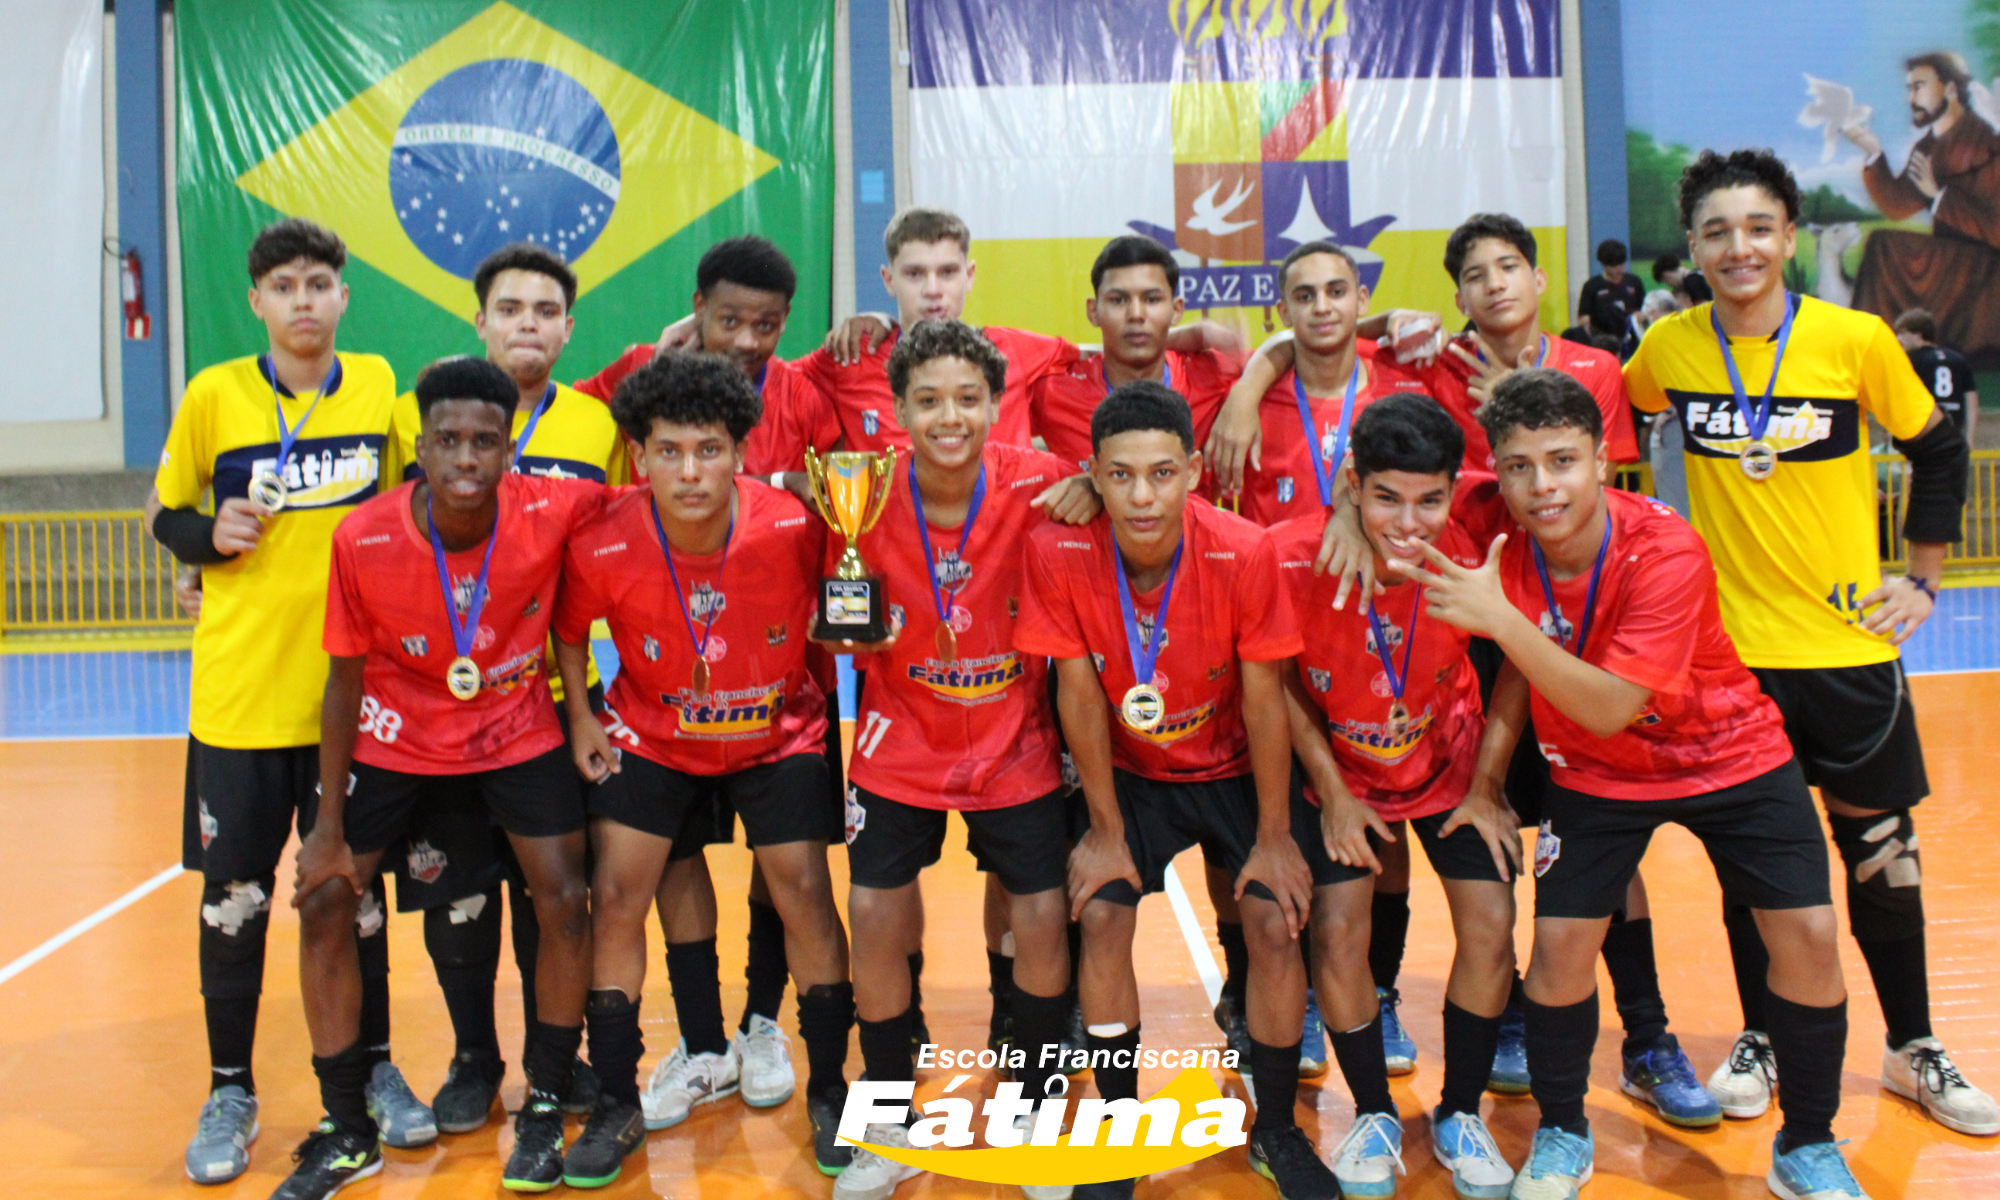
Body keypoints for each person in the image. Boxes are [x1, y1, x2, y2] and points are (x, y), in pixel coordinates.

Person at [1408, 368, 1867, 1200]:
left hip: (1729, 754)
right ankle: (1560, 1131)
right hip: (1594, 773)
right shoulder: (1490, 522)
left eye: (1562, 461)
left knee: (1805, 933)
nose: (1541, 486)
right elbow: (1394, 492)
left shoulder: (1665, 550)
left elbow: (1612, 704)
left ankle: (1807, 1143)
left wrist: (1499, 620)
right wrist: (1485, 782)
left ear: (1601, 463)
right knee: (1557, 952)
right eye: (1518, 466)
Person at [1627, 148, 1995, 1138]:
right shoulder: (1668, 350)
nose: (1736, 247)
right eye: (1714, 231)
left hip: (1847, 652)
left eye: (1755, 227)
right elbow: (1602, 418)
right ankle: (1757, 1035)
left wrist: (1919, 579)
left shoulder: (1855, 338)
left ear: (1786, 238)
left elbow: (1936, 447)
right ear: (1692, 249)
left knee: (1879, 855)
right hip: (1729, 662)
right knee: (1755, 868)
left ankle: (1912, 1044)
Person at [282, 357, 604, 1197]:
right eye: (449, 440)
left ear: (510, 455)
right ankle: (345, 1124)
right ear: (418, 447)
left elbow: (666, 500)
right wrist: (324, 828)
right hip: (396, 733)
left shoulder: (554, 507)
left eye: (486, 442)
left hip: (513, 724)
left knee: (565, 899)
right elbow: (343, 681)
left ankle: (542, 1103)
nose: (467, 458)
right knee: (325, 899)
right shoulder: (363, 536)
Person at [145, 219, 419, 1184]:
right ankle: (231, 1089)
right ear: (258, 302)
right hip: (241, 700)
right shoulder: (214, 395)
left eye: (319, 284)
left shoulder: (383, 387)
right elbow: (163, 513)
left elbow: (427, 494)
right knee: (238, 901)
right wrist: (202, 537)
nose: (304, 301)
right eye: (284, 287)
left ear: (344, 297)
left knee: (353, 897)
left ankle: (375, 1071)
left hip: (354, 700)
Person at [1017, 381, 1338, 1200]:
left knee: (1272, 920)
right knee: (1101, 913)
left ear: (1195, 471)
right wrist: (1103, 828)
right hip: (1132, 773)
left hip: (1235, 767)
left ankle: (1275, 1130)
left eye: (1162, 473)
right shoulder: (1058, 549)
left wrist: (1272, 836)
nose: (1142, 495)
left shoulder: (1243, 548)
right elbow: (1078, 692)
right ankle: (1121, 1129)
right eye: (1120, 476)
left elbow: (1267, 699)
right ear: (1092, 472)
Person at [550, 351, 858, 1185]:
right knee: (617, 897)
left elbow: (847, 606)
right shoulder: (604, 532)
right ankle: (618, 1099)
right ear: (639, 455)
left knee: (803, 890)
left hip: (778, 730)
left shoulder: (798, 524)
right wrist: (581, 716)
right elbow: (570, 631)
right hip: (652, 735)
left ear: (741, 452)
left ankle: (831, 1090)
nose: (690, 471)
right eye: (670, 451)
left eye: (711, 449)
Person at [818, 321, 1089, 1200]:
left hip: (1014, 742)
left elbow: (1119, 499)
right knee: (875, 912)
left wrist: (1091, 487)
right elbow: (833, 602)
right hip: (903, 739)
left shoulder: (1046, 482)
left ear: (996, 405)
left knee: (1041, 918)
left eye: (968, 398)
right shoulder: (855, 492)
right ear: (896, 411)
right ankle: (890, 1110)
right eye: (928, 400)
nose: (949, 416)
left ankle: (1038, 1101)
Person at [386, 242, 626, 1133]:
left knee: (551, 890)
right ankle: (473, 1059)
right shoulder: (421, 421)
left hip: (554, 696)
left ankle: (548, 1063)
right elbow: (380, 529)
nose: (528, 324)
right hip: (437, 701)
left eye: (545, 311)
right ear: (479, 321)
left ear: (568, 327)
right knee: (455, 888)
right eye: (510, 309)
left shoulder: (598, 427)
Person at [1270, 394, 1518, 1199]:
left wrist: (1486, 786)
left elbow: (1517, 656)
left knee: (1492, 919)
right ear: (1351, 483)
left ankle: (1459, 1112)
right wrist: (1334, 794)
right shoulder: (1292, 555)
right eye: (1385, 498)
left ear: (1454, 488)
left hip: (1451, 767)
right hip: (1343, 771)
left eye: (1429, 500)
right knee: (1339, 928)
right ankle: (1374, 1112)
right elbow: (1278, 683)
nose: (1409, 522)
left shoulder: (1482, 538)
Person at [1029, 233, 1244, 471]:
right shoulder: (1053, 391)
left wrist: (1248, 393)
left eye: (1151, 299)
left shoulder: (1214, 376)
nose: (1136, 314)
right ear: (1093, 311)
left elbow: (1286, 346)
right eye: (1118, 300)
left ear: (1176, 309)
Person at [1849, 53, 2000, 367]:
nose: (1911, 98)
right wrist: (1873, 153)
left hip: (1984, 268)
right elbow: (1898, 205)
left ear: (1949, 90)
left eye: (1919, 87)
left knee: (1884, 245)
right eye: (1908, 89)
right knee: (1882, 243)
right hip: (1951, 258)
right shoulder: (1928, 148)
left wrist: (1940, 197)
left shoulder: (1987, 144)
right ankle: (1873, 345)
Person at [1895, 308, 1979, 441]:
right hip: (1953, 434)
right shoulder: (1958, 359)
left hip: (1923, 436)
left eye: (1902, 333)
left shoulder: (1910, 361)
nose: (1898, 338)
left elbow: (1900, 399)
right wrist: (1970, 438)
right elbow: (1971, 400)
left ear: (1918, 334)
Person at [1574, 239, 1645, 328]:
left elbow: (1643, 311)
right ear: (1604, 264)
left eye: (1622, 264)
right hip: (1602, 336)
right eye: (1614, 267)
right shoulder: (1592, 286)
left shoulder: (1634, 282)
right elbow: (1583, 318)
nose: (1619, 269)